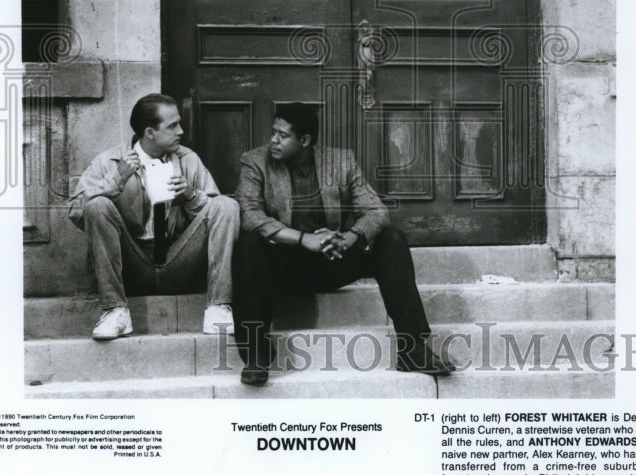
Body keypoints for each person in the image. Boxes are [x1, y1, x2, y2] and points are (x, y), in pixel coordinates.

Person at [232, 103, 453, 386]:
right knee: (248, 245)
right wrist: (302, 239)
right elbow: (249, 215)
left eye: (282, 135)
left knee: (391, 239)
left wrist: (349, 238)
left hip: (331, 258)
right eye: (273, 133)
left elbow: (376, 211)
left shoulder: (341, 161)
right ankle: (256, 355)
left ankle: (413, 350)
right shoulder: (255, 161)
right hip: (282, 264)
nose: (273, 140)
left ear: (305, 140)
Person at [68, 93, 239, 340]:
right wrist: (117, 178)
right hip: (131, 264)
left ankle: (218, 308)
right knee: (98, 205)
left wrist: (191, 195)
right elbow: (75, 210)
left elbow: (217, 214)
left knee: (227, 205)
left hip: (177, 260)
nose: (181, 131)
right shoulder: (110, 161)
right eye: (172, 126)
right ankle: (115, 311)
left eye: (179, 123)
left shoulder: (187, 158)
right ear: (150, 132)